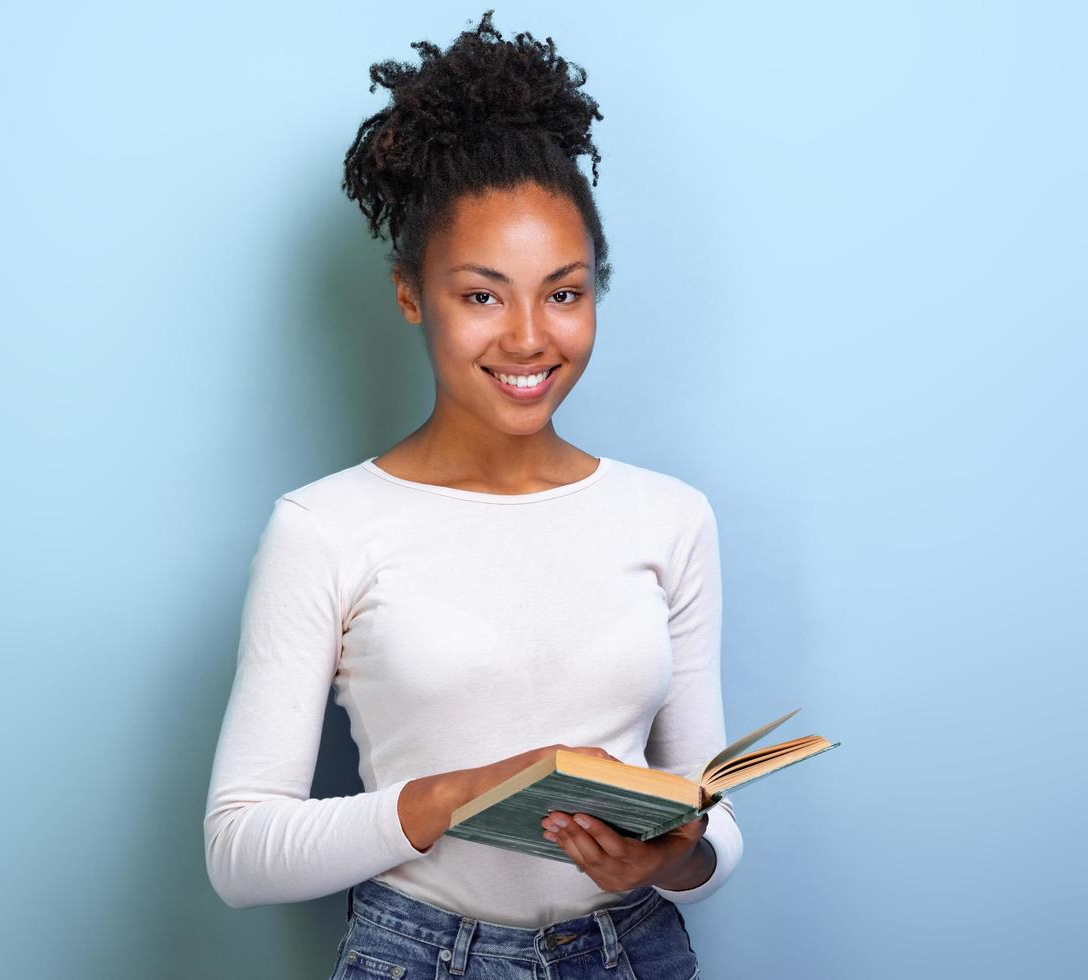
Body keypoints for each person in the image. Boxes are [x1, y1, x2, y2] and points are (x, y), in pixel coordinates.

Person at [204, 10, 738, 978]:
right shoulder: (322, 529)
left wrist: (676, 851)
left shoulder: (671, 518)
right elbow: (238, 847)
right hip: (419, 955)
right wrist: (455, 795)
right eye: (482, 294)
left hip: (635, 950)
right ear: (410, 290)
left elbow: (712, 820)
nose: (529, 336)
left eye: (563, 292)